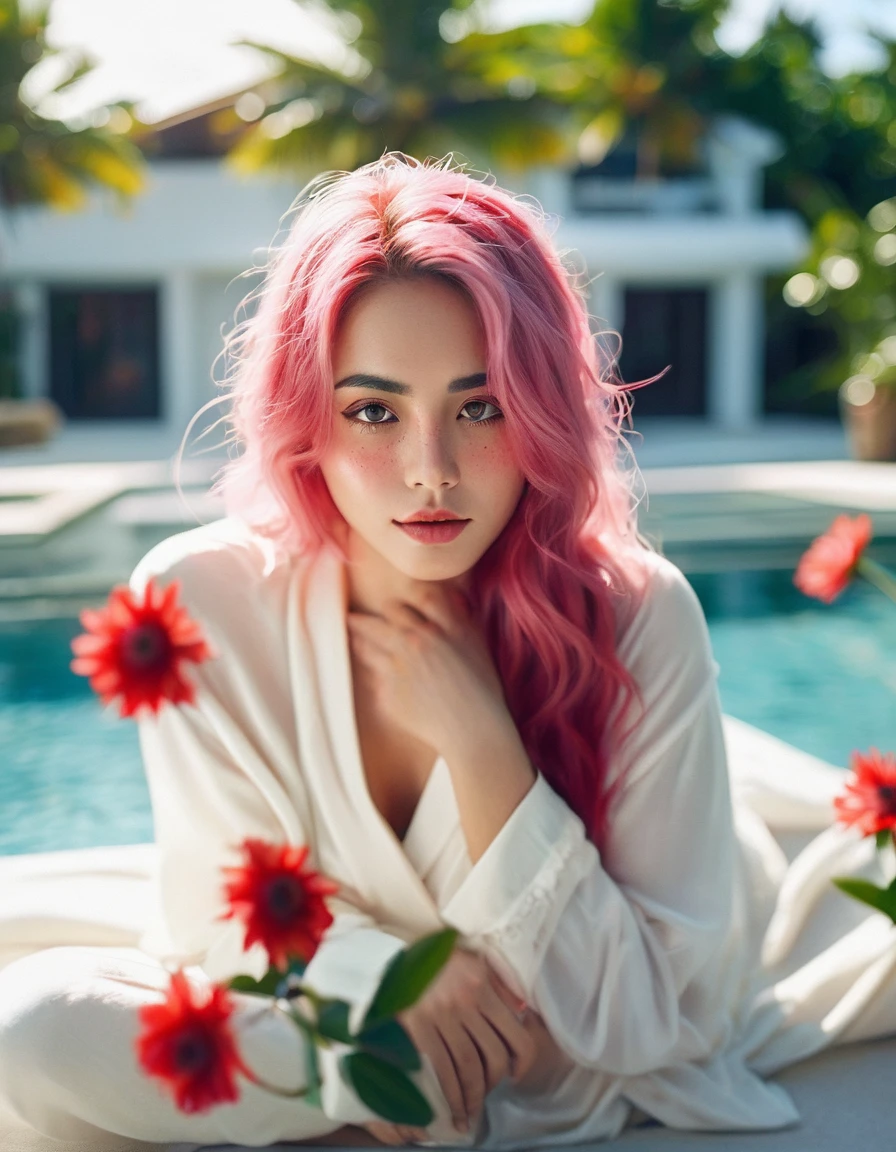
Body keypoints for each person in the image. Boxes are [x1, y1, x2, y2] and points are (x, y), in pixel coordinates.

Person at [1, 151, 895, 1152]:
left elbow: (651, 1022)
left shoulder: (640, 614)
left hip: (564, 1070)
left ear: (540, 412)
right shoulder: (198, 602)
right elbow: (219, 922)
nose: (429, 473)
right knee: (32, 1031)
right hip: (383, 1039)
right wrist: (393, 980)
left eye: (481, 408)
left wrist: (483, 752)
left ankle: (391, 1087)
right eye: (373, 411)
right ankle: (391, 1082)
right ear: (309, 421)